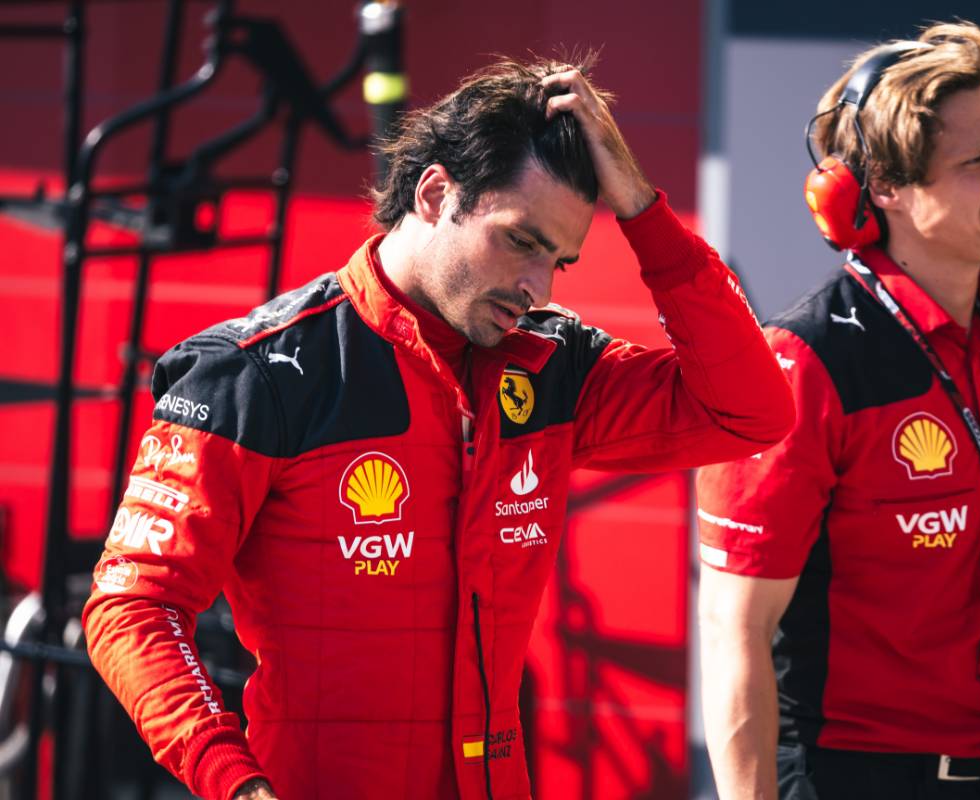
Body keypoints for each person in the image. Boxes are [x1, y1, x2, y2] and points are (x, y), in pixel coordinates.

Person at [83, 55, 795, 800]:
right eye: (522, 241)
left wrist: (646, 212)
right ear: (434, 193)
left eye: (560, 260)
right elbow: (133, 604)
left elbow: (752, 411)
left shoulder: (549, 368)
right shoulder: (258, 372)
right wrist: (233, 783)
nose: (538, 287)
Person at [696, 22, 980, 800]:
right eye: (979, 161)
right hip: (851, 780)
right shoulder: (804, 361)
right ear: (879, 187)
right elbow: (733, 627)